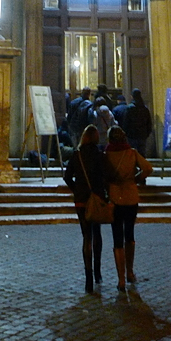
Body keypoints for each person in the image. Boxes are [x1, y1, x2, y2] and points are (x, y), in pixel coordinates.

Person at [105, 126, 153, 290]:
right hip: (131, 197)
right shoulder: (132, 153)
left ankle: (121, 279)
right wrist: (135, 179)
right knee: (129, 235)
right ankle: (130, 272)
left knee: (117, 237)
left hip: (114, 198)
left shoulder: (107, 155)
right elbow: (148, 168)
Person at [63, 125, 108, 292]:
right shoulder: (99, 155)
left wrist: (76, 189)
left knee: (86, 236)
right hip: (96, 199)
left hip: (81, 200)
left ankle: (88, 277)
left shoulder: (77, 155)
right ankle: (97, 272)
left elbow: (67, 177)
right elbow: (105, 177)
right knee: (97, 233)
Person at [124, 89, 153, 156]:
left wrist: (127, 133)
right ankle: (142, 165)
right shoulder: (145, 108)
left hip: (132, 135)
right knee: (142, 153)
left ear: (132, 96)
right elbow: (149, 122)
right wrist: (147, 133)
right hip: (142, 134)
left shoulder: (130, 108)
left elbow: (126, 122)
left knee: (132, 153)